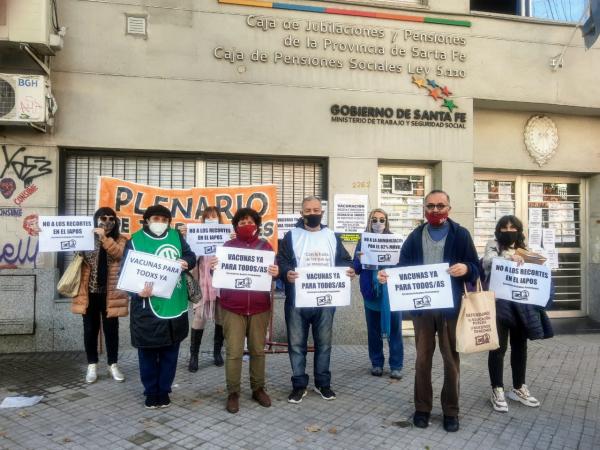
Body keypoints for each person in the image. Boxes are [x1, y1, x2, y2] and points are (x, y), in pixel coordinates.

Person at [378, 190, 479, 432]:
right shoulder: (415, 237)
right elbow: (402, 269)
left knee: (450, 361)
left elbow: (476, 268)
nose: (436, 210)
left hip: (450, 309)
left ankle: (451, 411)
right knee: (422, 360)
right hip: (422, 309)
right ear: (424, 209)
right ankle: (422, 408)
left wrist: (466, 268)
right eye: (431, 206)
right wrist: (387, 276)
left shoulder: (461, 235)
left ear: (449, 209)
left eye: (440, 206)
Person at [277, 196, 355, 404]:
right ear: (301, 213)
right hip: (297, 300)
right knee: (296, 344)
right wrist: (286, 273)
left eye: (316, 210)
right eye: (308, 210)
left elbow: (345, 260)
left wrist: (349, 270)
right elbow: (281, 261)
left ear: (322, 212)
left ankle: (323, 383)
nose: (312, 213)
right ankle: (299, 385)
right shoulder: (291, 236)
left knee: (324, 344)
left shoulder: (331, 236)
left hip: (326, 299)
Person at [123, 205, 196, 409]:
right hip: (147, 307)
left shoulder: (176, 236)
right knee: (147, 354)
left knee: (170, 354)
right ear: (147, 220)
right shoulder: (135, 241)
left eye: (165, 220)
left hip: (175, 304)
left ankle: (164, 390)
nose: (161, 223)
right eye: (156, 218)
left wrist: (186, 262)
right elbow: (125, 274)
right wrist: (136, 293)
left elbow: (191, 256)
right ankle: (150, 391)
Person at [211, 208, 279, 414]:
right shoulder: (227, 247)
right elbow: (217, 274)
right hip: (233, 308)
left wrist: (276, 272)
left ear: (257, 225)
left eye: (249, 222)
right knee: (233, 352)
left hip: (259, 308)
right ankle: (233, 392)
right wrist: (214, 267)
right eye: (241, 223)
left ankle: (258, 388)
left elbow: (273, 273)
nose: (246, 225)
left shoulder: (265, 247)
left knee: (258, 350)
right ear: (235, 227)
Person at [483, 215, 553, 413]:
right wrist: (509, 258)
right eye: (504, 228)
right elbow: (487, 263)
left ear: (519, 230)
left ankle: (518, 387)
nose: (508, 231)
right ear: (498, 230)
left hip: (521, 306)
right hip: (498, 304)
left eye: (512, 227)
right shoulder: (493, 245)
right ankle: (497, 389)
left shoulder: (525, 249)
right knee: (498, 348)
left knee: (520, 347)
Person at [71, 207, 128, 384]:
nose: (107, 221)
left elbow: (119, 254)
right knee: (90, 330)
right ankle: (92, 365)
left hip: (111, 294)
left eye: (112, 218)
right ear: (96, 219)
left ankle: (113, 365)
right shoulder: (86, 238)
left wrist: (104, 238)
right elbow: (72, 251)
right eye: (103, 217)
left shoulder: (121, 239)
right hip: (89, 293)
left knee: (112, 331)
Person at [353, 208, 403, 379]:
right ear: (369, 221)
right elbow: (357, 268)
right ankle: (376, 363)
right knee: (373, 331)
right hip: (371, 293)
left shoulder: (394, 240)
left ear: (387, 221)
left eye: (382, 220)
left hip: (391, 294)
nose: (378, 223)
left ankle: (396, 365)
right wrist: (359, 260)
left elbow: (401, 266)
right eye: (374, 220)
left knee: (394, 330)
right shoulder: (363, 241)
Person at [179, 206, 226, 372]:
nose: (211, 220)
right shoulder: (196, 237)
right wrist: (186, 237)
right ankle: (194, 355)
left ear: (220, 219)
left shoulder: (226, 237)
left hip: (221, 284)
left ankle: (217, 352)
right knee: (199, 318)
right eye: (208, 217)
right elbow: (190, 257)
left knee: (221, 319)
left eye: (214, 217)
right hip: (203, 285)